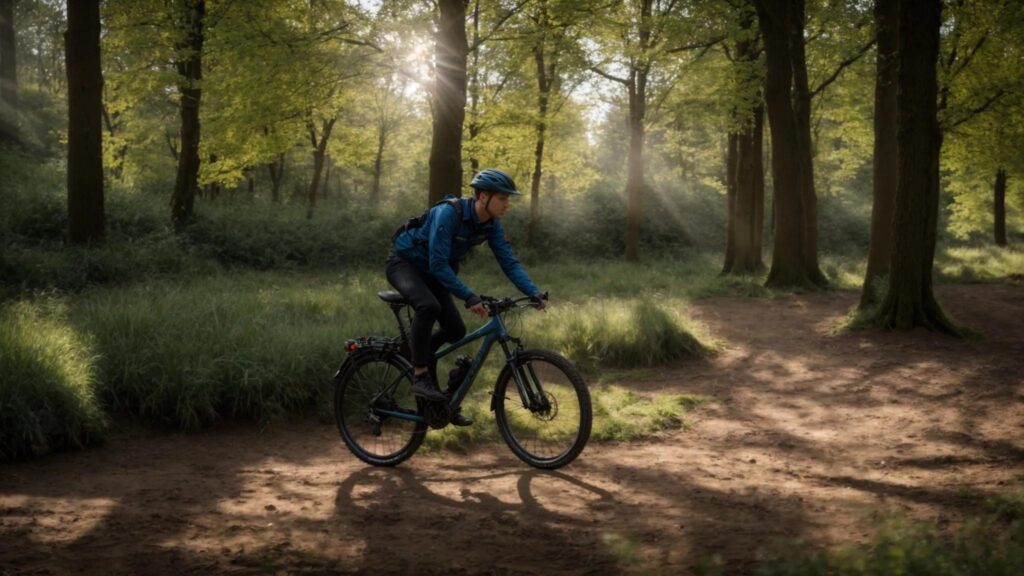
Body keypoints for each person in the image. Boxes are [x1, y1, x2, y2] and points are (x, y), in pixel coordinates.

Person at [386, 168, 546, 426]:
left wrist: (532, 291)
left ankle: (424, 370)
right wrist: (469, 297)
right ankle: (420, 374)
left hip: (434, 272)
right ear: (483, 197)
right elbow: (438, 264)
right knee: (428, 306)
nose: (508, 204)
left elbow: (509, 262)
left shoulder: (491, 224)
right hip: (405, 265)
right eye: (503, 198)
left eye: (508, 199)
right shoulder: (449, 213)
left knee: (456, 329)